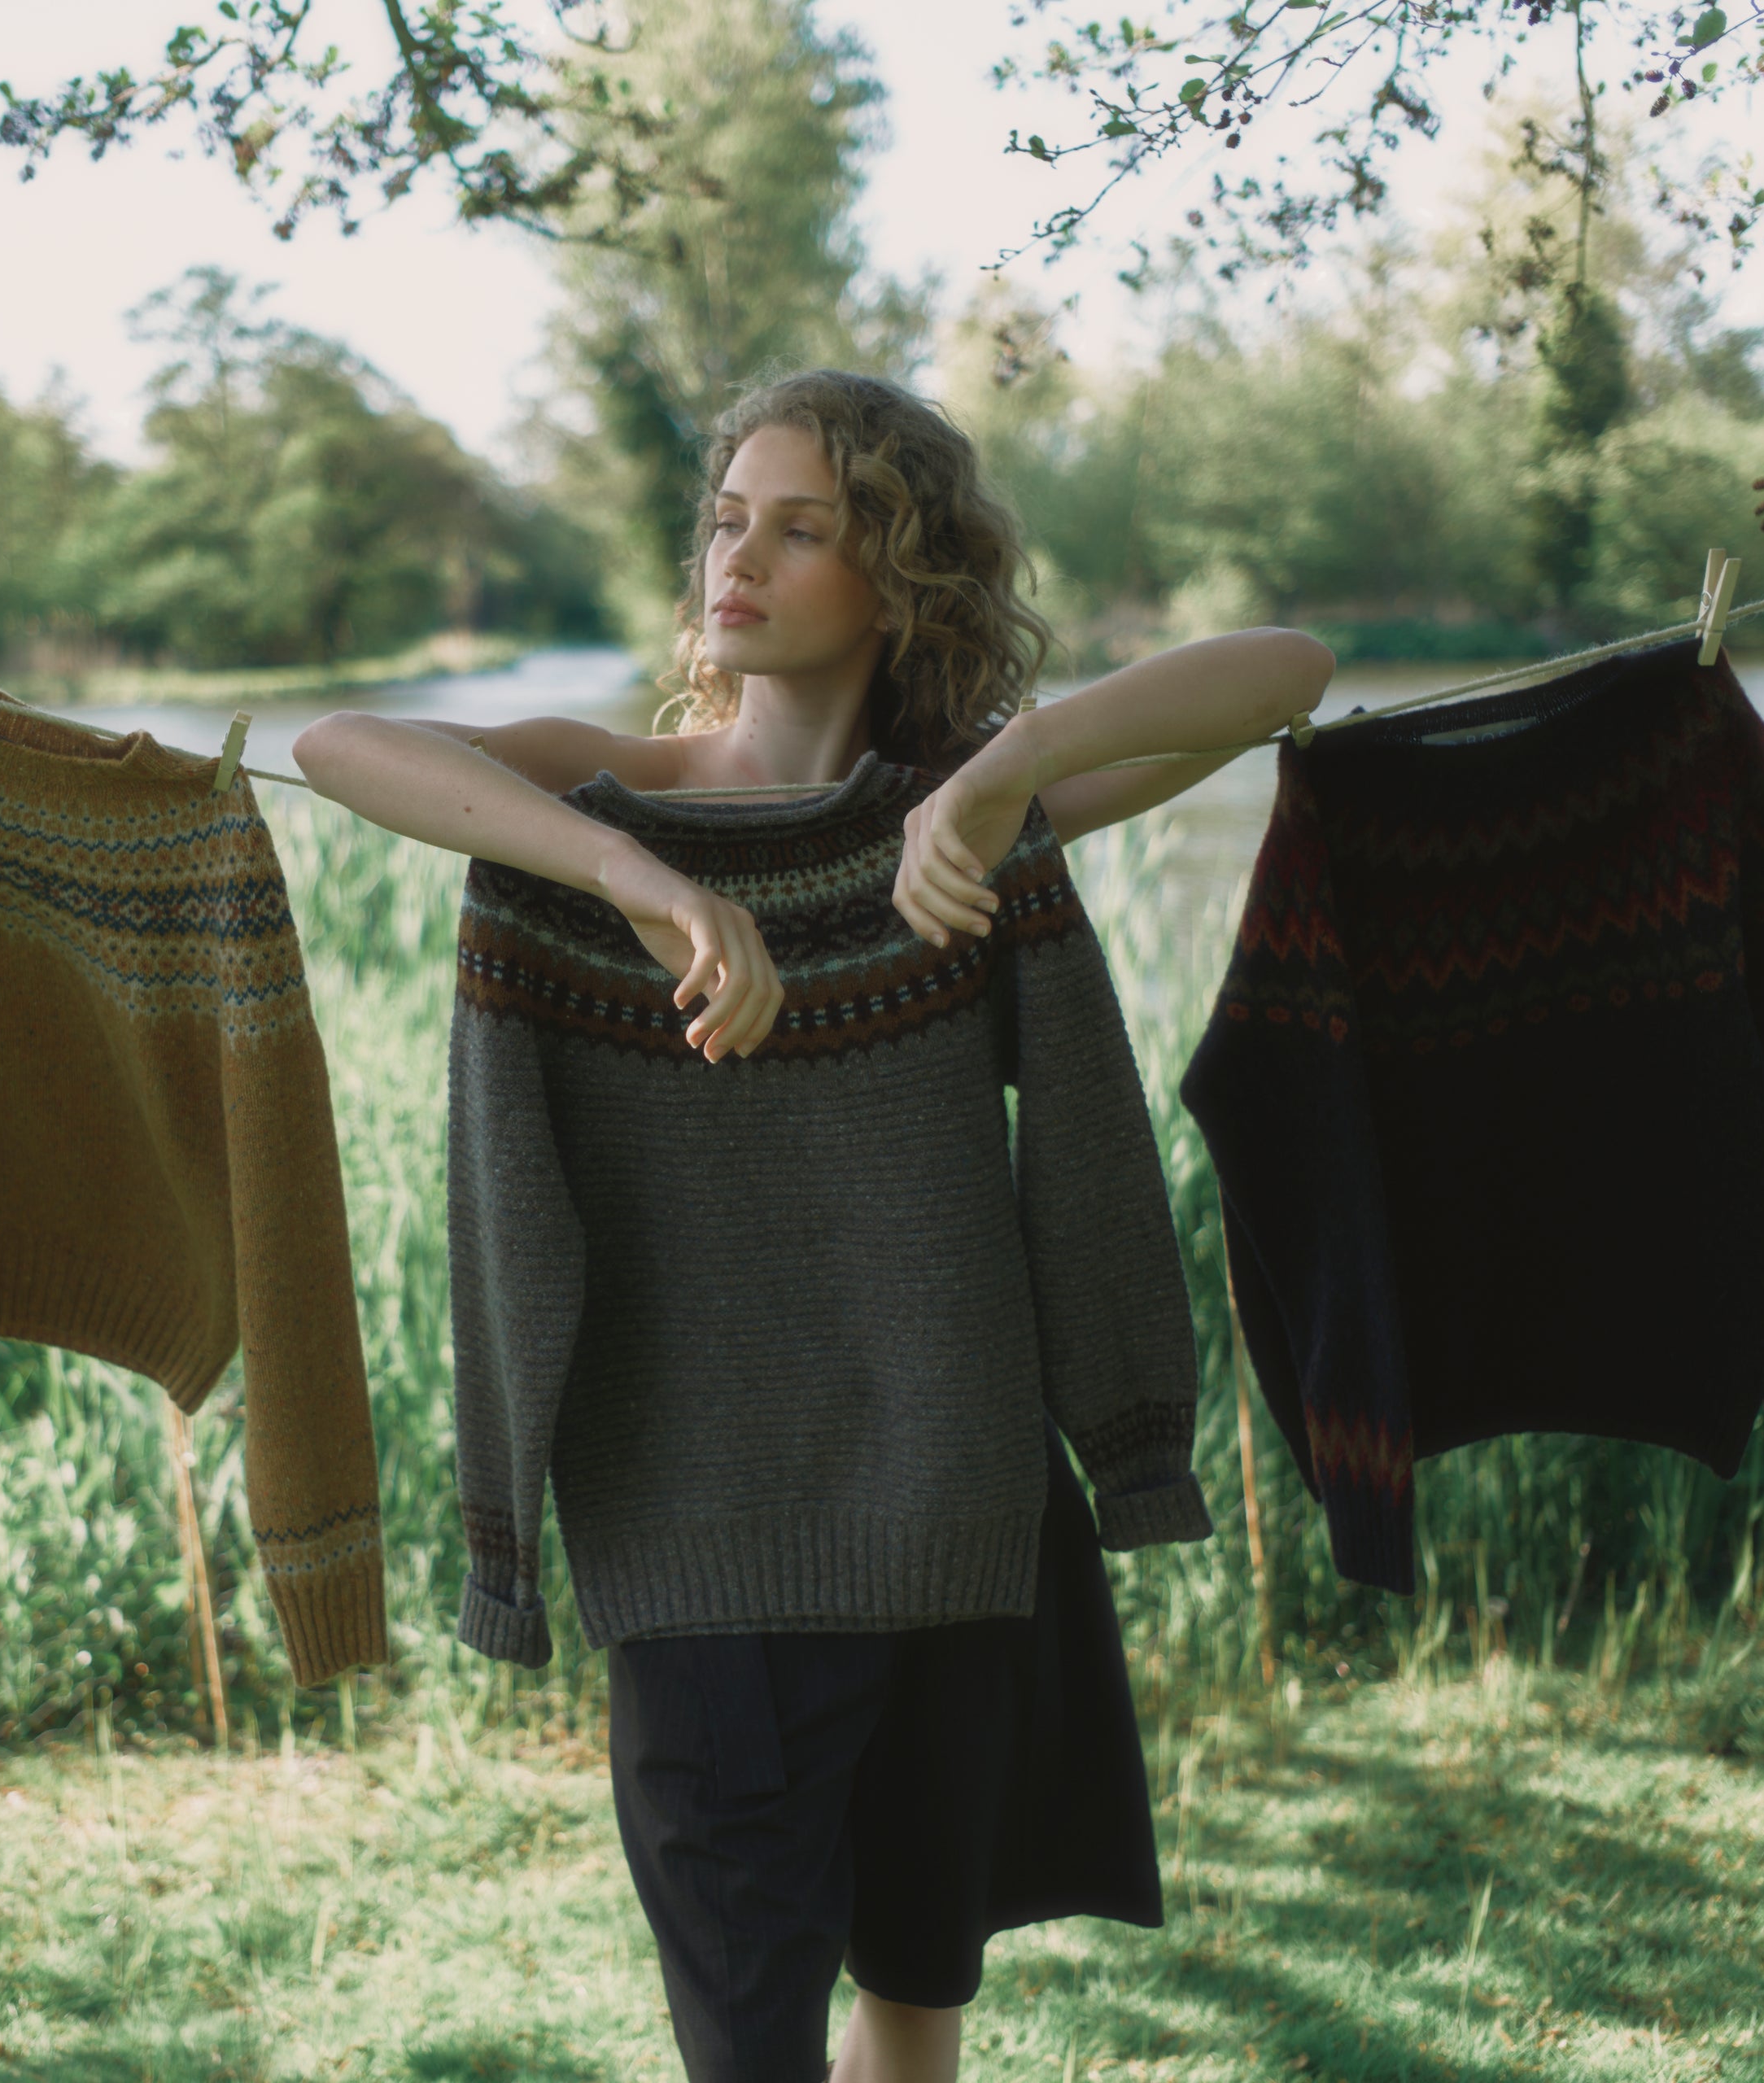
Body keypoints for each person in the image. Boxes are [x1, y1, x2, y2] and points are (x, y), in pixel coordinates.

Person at [293, 369, 1332, 2083]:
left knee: (914, 2025)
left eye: (801, 526)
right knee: (749, 2050)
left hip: (956, 1508)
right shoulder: (603, 802)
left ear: (899, 576)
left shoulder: (959, 845)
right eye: (725, 517)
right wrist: (641, 879)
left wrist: (1007, 772)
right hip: (699, 1541)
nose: (740, 556)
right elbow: (344, 748)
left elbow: (1288, 673)